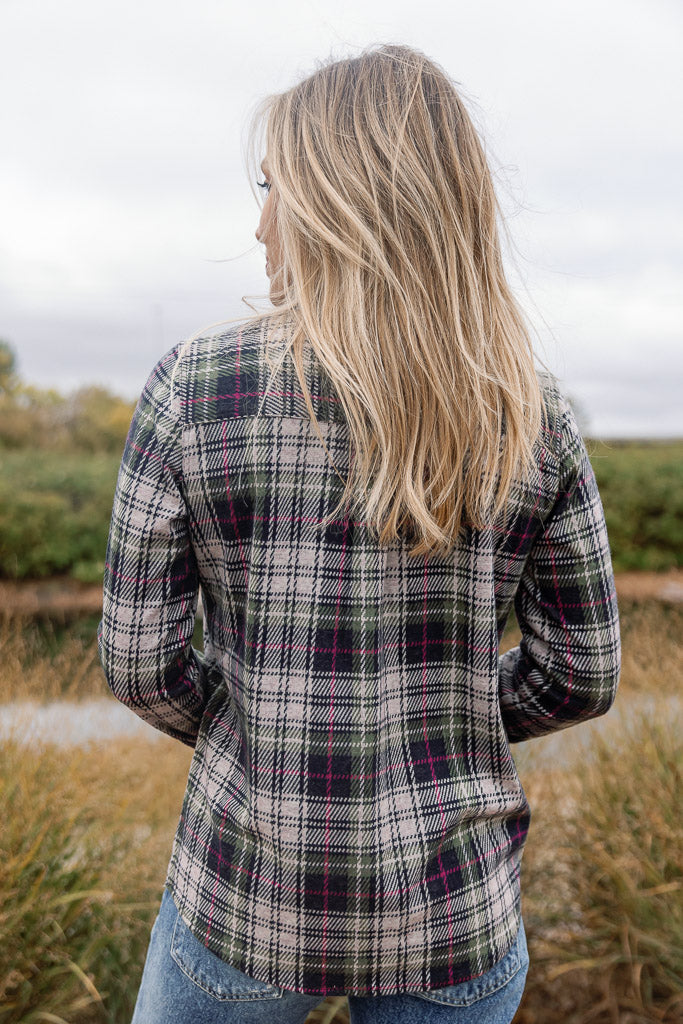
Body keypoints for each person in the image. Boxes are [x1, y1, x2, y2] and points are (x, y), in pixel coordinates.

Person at [98, 43, 621, 1024]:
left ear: (333, 202)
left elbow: (140, 664)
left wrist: (261, 736)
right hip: (452, 910)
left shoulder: (192, 389)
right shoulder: (530, 413)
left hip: (248, 896)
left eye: (273, 188)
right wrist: (447, 736)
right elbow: (580, 676)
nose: (258, 225)